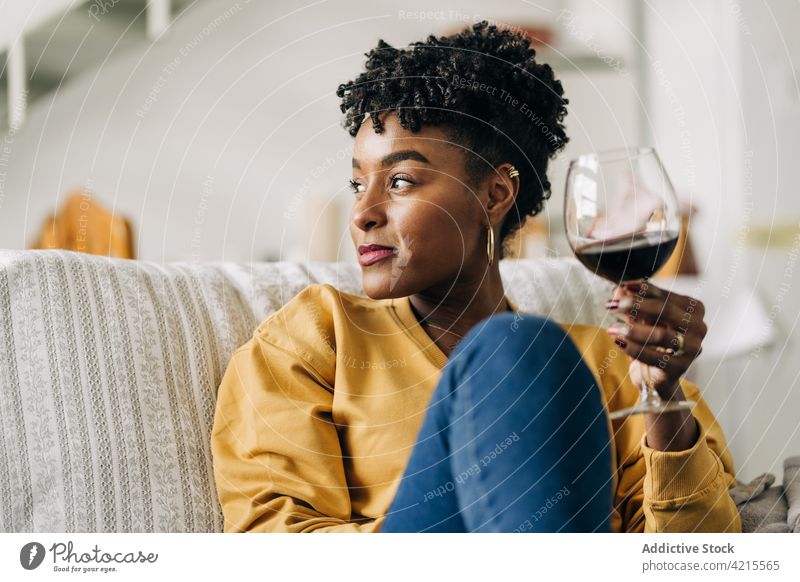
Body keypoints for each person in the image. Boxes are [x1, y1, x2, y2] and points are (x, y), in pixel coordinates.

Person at [210, 21, 741, 533]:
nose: (362, 213)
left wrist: (665, 399)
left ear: (495, 195)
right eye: (356, 184)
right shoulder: (315, 338)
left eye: (398, 181)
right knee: (517, 347)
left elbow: (695, 558)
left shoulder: (609, 362)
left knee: (522, 349)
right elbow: (276, 543)